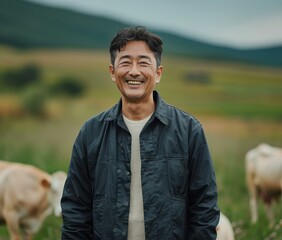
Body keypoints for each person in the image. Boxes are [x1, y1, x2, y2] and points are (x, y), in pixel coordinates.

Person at [61, 26, 220, 240]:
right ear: (112, 72)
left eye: (143, 63)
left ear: (158, 73)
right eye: (125, 62)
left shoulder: (189, 131)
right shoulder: (91, 133)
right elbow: (75, 210)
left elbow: (204, 208)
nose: (134, 71)